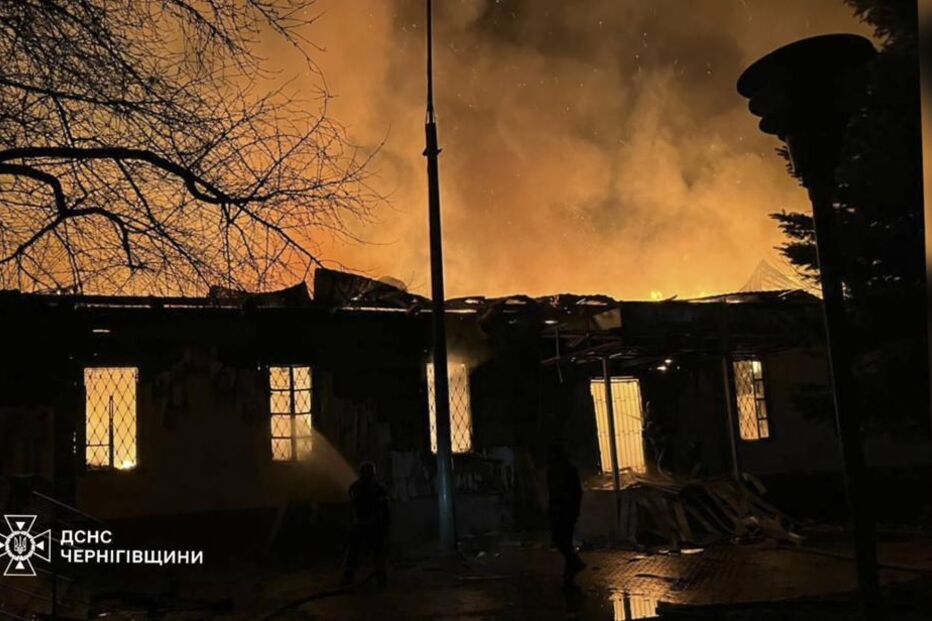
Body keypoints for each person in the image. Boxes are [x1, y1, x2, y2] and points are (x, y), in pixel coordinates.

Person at [340, 461, 390, 588]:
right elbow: (385, 509)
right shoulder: (378, 488)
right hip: (372, 526)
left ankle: (347, 581)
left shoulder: (356, 487)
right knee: (376, 555)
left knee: (354, 556)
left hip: (362, 526)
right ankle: (381, 582)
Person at [547, 443, 585, 587]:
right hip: (564, 510)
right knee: (563, 540)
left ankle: (573, 567)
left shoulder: (560, 471)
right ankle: (571, 569)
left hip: (563, 510)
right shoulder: (564, 470)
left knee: (561, 540)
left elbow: (574, 492)